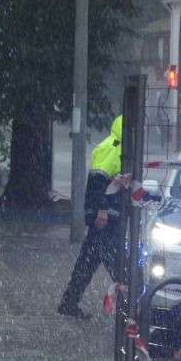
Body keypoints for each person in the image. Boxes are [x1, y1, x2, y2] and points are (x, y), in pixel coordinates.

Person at [58, 115, 127, 318]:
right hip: (106, 219)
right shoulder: (113, 147)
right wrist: (102, 210)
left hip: (106, 219)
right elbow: (98, 180)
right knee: (122, 267)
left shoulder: (119, 148)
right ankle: (135, 307)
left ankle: (68, 303)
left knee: (87, 263)